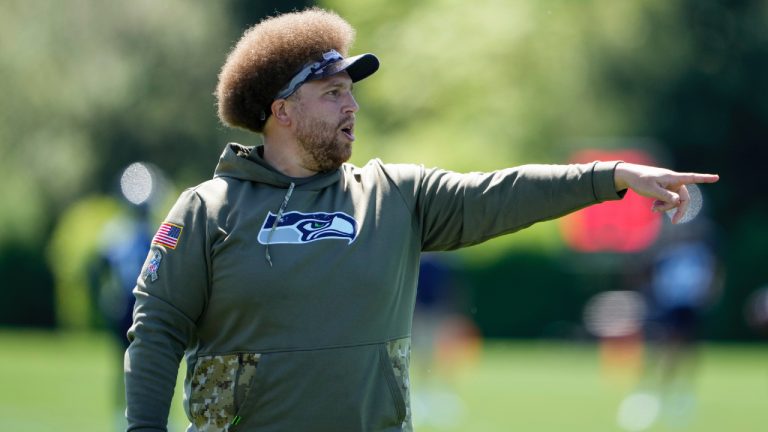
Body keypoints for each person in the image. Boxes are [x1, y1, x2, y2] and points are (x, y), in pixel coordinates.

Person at [124, 8, 719, 432]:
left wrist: (611, 175)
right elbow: (156, 332)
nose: (352, 105)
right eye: (333, 93)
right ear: (282, 110)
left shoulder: (393, 195)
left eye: (351, 92)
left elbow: (500, 192)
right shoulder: (207, 210)